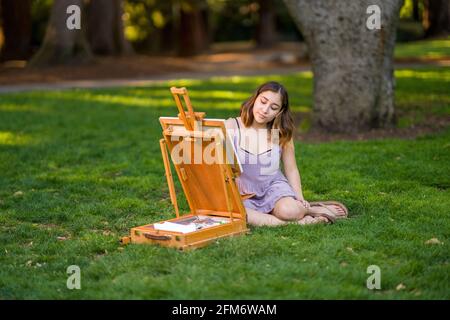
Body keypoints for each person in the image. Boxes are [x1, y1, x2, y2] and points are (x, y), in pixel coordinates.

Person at [225, 81, 348, 226]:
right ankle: (300, 223)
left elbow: (291, 168)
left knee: (289, 212)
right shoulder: (232, 126)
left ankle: (308, 209)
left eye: (273, 107)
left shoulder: (280, 133)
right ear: (255, 99)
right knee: (239, 214)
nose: (265, 110)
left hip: (272, 188)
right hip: (242, 193)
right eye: (263, 102)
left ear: (280, 112)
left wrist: (299, 198)